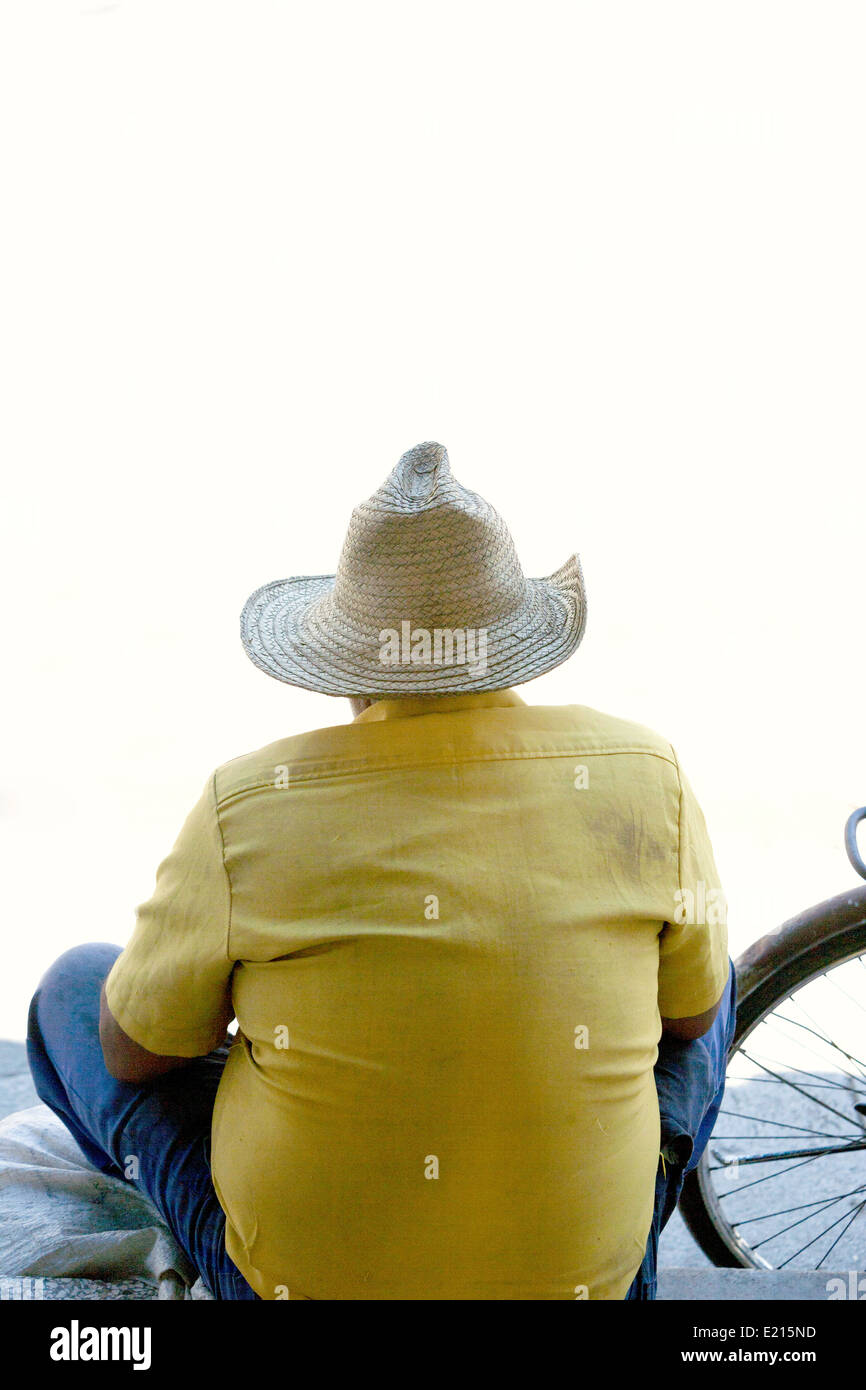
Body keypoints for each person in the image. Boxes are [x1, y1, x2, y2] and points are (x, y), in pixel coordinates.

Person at [27, 440, 734, 1300]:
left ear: (345, 663)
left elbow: (132, 1055)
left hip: (294, 1285)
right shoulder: (643, 774)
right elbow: (690, 1020)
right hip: (588, 1285)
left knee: (76, 988)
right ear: (515, 646)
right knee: (714, 983)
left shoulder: (248, 802)